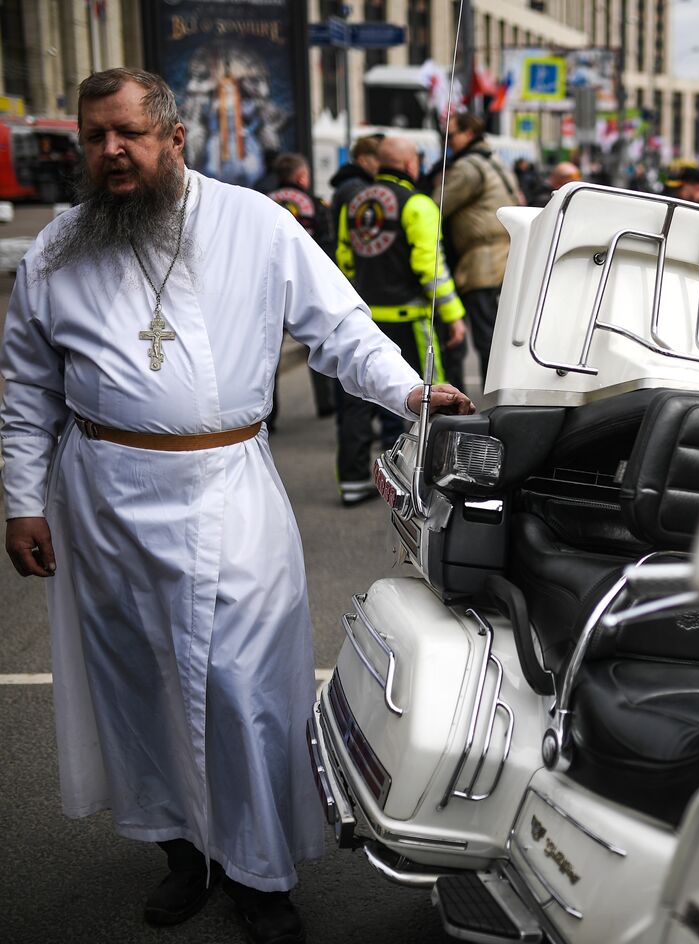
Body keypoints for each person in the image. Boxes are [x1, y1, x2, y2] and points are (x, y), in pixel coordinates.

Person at [0, 69, 471, 944]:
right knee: (141, 686)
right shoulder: (58, 248)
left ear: (176, 138)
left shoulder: (256, 223)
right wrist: (23, 500)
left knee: (247, 687)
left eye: (129, 134)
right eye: (95, 136)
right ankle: (183, 853)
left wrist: (412, 393)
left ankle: (260, 872)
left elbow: (341, 328)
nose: (110, 151)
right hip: (104, 500)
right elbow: (27, 387)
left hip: (229, 487)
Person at [336, 135, 467, 505]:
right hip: (412, 321)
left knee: (360, 397)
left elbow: (345, 260)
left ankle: (352, 479)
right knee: (428, 397)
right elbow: (431, 270)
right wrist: (453, 315)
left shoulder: (355, 203)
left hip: (368, 319)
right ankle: (425, 483)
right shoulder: (418, 205)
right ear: (410, 164)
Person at [438, 112, 522, 382]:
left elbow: (436, 206)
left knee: (483, 338)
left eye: (452, 136)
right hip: (503, 257)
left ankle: (487, 401)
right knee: (496, 335)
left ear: (469, 133)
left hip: (480, 262)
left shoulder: (467, 168)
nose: (448, 142)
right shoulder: (495, 161)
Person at [264, 152, 338, 422]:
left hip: (268, 285)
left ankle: (268, 415)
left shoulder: (264, 201)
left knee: (268, 352)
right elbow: (326, 246)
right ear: (301, 177)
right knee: (317, 342)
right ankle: (326, 403)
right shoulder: (315, 204)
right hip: (305, 284)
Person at [328, 134, 383, 240]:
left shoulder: (355, 183)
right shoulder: (355, 187)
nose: (380, 164)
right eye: (377, 159)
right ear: (362, 160)